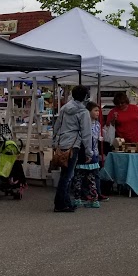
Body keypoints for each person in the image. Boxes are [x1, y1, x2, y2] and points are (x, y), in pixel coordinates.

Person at [52, 85, 92, 213]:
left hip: (62, 143)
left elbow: (57, 125)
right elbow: (86, 133)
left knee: (66, 174)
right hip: (73, 145)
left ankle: (66, 202)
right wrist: (88, 151)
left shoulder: (64, 108)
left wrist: (54, 142)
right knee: (68, 176)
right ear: (85, 96)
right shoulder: (83, 112)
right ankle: (60, 203)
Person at [72, 102, 101, 208]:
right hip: (89, 154)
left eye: (98, 110)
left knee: (80, 178)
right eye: (95, 110)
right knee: (89, 178)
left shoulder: (90, 125)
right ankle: (93, 199)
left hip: (86, 154)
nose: (97, 113)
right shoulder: (88, 124)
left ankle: (79, 198)